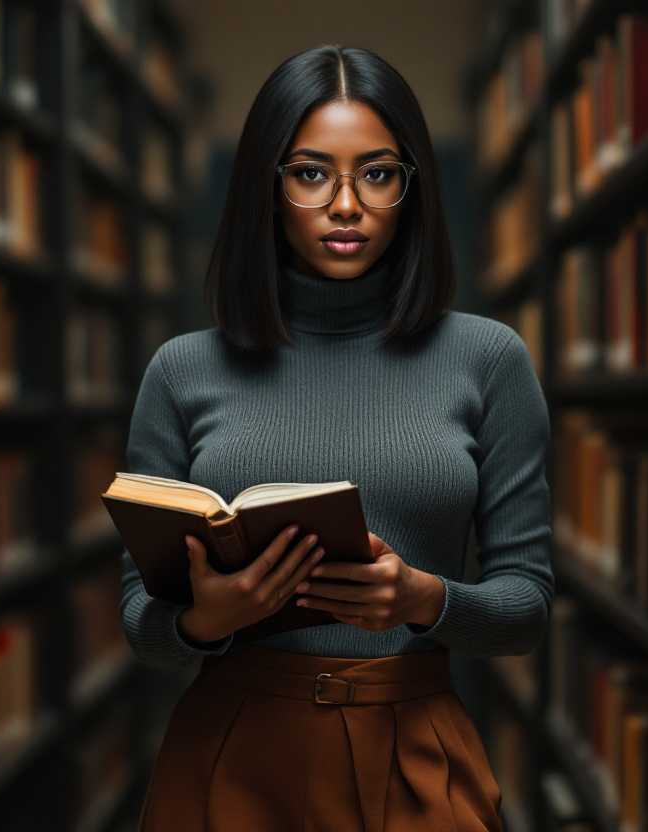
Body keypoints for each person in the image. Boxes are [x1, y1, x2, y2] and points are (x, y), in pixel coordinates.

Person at [120, 43, 553, 831]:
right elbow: (137, 620)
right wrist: (204, 621)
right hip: (231, 755)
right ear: (268, 187)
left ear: (413, 188)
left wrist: (424, 598)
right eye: (311, 172)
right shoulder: (182, 370)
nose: (346, 204)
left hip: (415, 748)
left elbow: (526, 605)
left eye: (378, 173)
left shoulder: (488, 360)